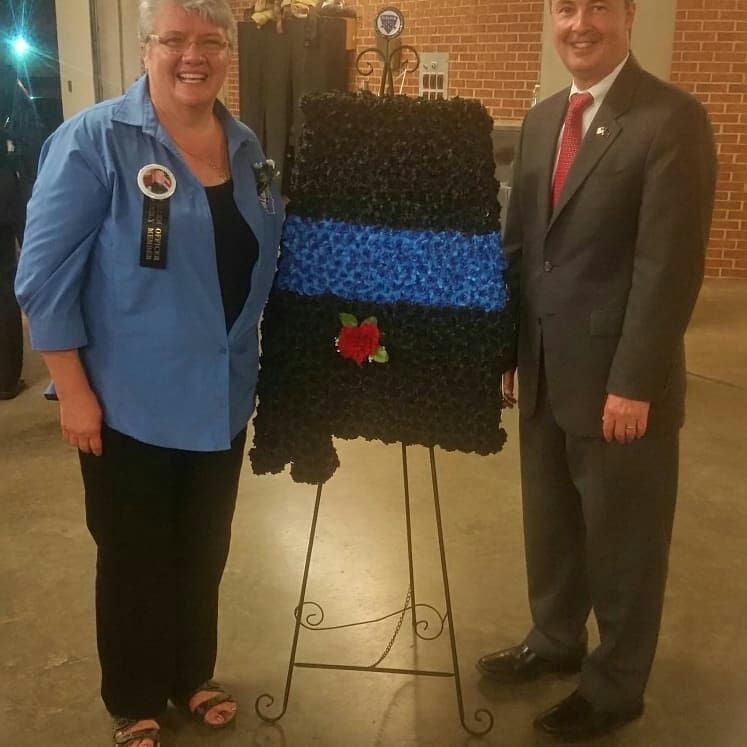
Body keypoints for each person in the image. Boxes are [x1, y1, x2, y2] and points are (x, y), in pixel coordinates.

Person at [15, 1, 283, 745]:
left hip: (221, 394)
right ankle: (133, 695)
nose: (193, 55)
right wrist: (72, 391)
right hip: (126, 399)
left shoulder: (246, 145)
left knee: (203, 547)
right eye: (174, 40)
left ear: (228, 52)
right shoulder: (94, 141)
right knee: (135, 555)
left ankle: (191, 671)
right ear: (145, 50)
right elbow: (42, 278)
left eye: (211, 41)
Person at [476, 0, 716, 742]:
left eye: (598, 7)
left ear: (628, 16)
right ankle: (555, 639)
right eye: (565, 8)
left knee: (623, 542)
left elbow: (667, 267)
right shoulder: (544, 118)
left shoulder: (670, 120)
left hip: (618, 380)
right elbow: (520, 245)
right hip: (545, 367)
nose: (579, 23)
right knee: (551, 522)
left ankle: (615, 686)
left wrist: (634, 382)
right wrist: (504, 351)